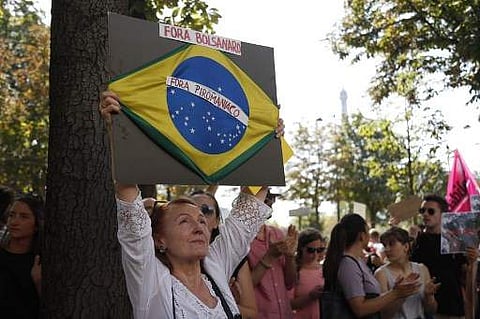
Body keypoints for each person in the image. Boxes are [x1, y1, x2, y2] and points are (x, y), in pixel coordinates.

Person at [100, 91, 284, 318]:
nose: (200, 227)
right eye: (184, 221)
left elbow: (252, 203)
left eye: (201, 220)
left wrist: (266, 140)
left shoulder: (216, 266)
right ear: (159, 240)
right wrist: (119, 128)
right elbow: (127, 191)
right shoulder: (150, 281)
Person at [322, 213, 421, 318]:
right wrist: (395, 293)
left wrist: (395, 291)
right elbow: (360, 308)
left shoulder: (356, 261)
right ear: (362, 236)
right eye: (367, 232)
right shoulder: (348, 264)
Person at [191, 189, 257, 318]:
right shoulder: (156, 264)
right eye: (187, 213)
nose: (197, 217)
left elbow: (252, 202)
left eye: (206, 210)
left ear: (217, 221)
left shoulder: (222, 254)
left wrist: (225, 300)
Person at [411, 194, 478, 319]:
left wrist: (472, 259)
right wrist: (411, 242)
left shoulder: (455, 239)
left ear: (443, 214)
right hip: (422, 306)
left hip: (452, 306)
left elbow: (464, 269)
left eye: (430, 211)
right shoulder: (417, 239)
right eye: (422, 210)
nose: (425, 214)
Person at [375, 226, 438, 319]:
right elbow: (385, 315)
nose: (387, 249)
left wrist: (429, 296)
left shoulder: (422, 269)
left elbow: (432, 310)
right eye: (385, 245)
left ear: (406, 246)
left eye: (391, 244)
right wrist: (400, 294)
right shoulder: (381, 274)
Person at [0, 194, 43, 319]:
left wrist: (39, 282)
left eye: (24, 217)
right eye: (11, 215)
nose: (14, 221)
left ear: (36, 225)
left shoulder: (39, 262)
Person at [289, 228, 326, 319]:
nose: (315, 254)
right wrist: (310, 297)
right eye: (311, 250)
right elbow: (289, 304)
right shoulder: (295, 271)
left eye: (319, 250)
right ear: (301, 249)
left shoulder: (324, 270)